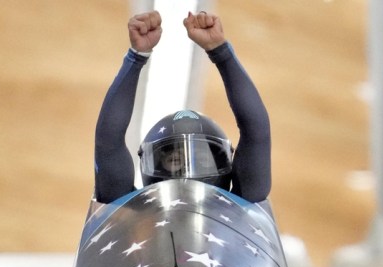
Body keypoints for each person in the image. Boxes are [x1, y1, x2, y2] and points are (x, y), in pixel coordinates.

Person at [93, 10, 271, 204]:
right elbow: (108, 141)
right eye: (176, 161)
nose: (189, 171)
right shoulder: (245, 203)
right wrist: (136, 56)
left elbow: (256, 131)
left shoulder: (126, 211)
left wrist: (220, 50)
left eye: (203, 160)